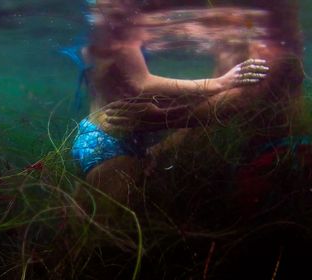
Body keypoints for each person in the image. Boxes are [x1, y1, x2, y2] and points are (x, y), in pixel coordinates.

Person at [101, 0, 305, 213]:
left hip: (278, 153)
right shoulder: (237, 35)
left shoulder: (265, 32)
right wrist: (160, 150)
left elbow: (244, 98)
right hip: (235, 155)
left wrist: (162, 118)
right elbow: (213, 104)